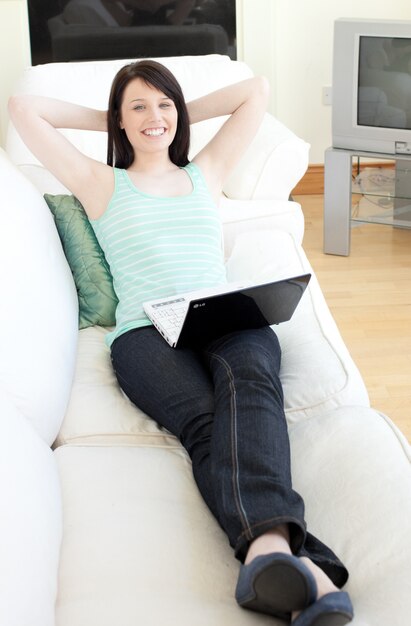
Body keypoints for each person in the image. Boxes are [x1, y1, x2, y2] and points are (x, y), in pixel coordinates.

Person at [8, 60, 354, 625]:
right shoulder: (100, 182)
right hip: (145, 333)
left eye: (164, 104)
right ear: (120, 121)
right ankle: (300, 561)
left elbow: (255, 90)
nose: (155, 117)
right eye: (139, 107)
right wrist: (112, 116)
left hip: (225, 316)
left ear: (180, 113)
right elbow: (24, 109)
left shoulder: (205, 172)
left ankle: (268, 556)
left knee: (251, 389)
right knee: (206, 426)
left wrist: (166, 108)